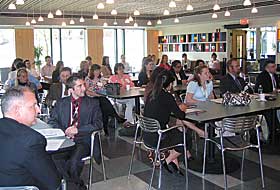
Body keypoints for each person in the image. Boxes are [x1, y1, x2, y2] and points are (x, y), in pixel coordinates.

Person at [48, 75, 103, 190]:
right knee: (53, 160)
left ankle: (73, 186)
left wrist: (78, 130)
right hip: (64, 140)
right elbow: (52, 121)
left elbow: (98, 124)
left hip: (82, 140)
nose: (84, 88)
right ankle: (77, 185)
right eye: (79, 86)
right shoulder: (61, 103)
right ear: (71, 90)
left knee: (73, 163)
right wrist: (65, 131)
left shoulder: (93, 104)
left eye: (84, 85)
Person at [0, 87, 61, 190]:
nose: (38, 110)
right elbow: (53, 183)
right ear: (17, 110)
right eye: (33, 105)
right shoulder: (32, 140)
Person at [144, 70, 200, 174]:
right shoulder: (167, 96)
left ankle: (173, 164)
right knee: (185, 138)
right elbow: (181, 115)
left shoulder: (152, 94)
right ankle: (166, 160)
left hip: (147, 135)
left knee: (177, 132)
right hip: (159, 137)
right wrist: (183, 108)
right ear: (169, 85)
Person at [85, 64, 126, 135]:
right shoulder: (88, 79)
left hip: (101, 96)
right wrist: (96, 94)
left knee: (104, 108)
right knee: (104, 102)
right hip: (92, 98)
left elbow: (105, 89)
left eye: (98, 70)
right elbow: (87, 91)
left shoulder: (101, 78)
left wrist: (104, 87)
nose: (97, 72)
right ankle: (116, 117)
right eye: (96, 71)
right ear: (92, 71)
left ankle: (107, 127)